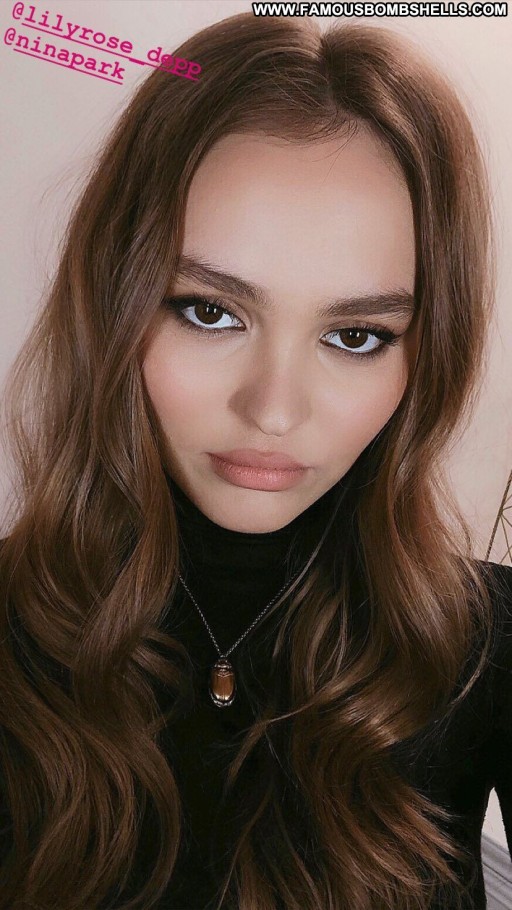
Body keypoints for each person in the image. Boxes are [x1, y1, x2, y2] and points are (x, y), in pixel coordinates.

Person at [0, 10, 510, 910]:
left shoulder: (489, 648)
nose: (273, 410)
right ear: (116, 300)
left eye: (356, 335)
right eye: (210, 312)